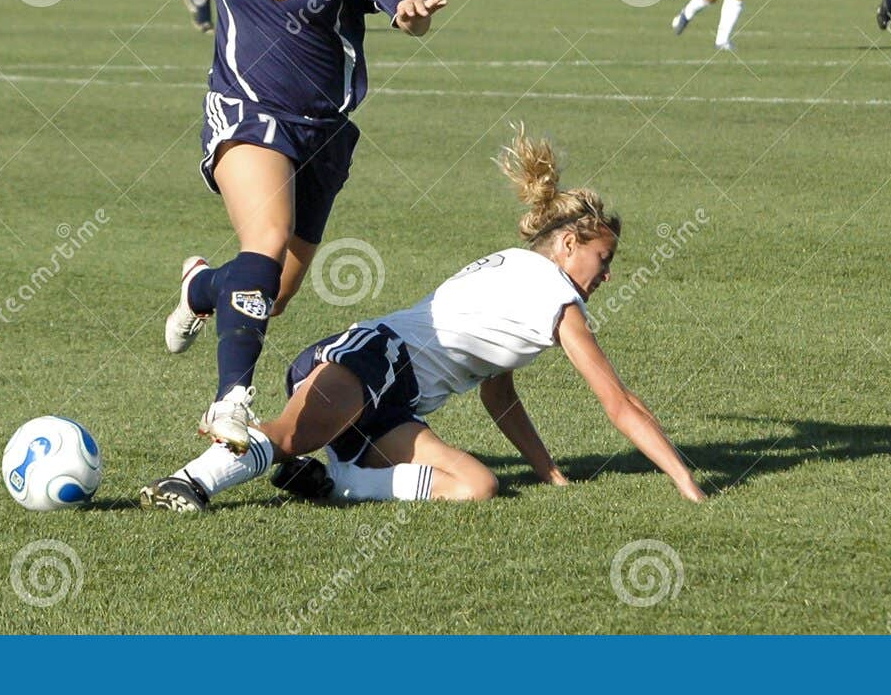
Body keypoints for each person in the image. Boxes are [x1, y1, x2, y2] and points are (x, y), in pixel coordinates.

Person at [11, 0, 445, 454]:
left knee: (264, 295)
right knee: (264, 245)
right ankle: (230, 403)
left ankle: (201, 286)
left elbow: (409, 3)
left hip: (322, 133)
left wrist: (412, 16)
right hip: (244, 112)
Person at [138, 127, 707, 510]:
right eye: (602, 259)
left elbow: (497, 394)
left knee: (477, 486)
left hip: (393, 402)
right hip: (371, 360)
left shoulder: (517, 271)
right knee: (286, 436)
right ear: (566, 245)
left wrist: (549, 472)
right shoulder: (555, 296)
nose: (606, 274)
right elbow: (618, 401)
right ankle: (190, 482)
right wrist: (686, 479)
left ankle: (334, 479)